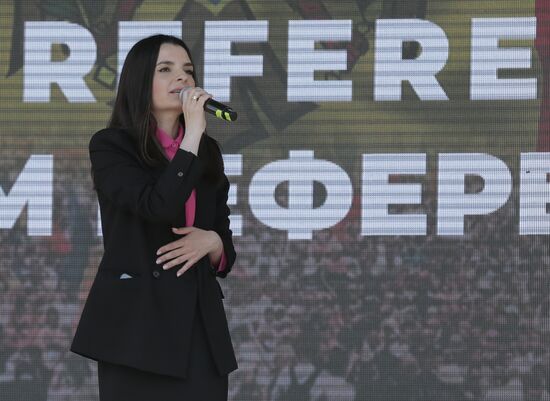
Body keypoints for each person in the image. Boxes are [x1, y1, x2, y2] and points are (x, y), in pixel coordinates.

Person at [70, 34, 238, 401]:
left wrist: (214, 244)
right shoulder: (111, 145)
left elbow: (223, 238)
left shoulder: (207, 152)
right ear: (139, 80)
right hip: (135, 330)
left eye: (188, 71)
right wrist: (193, 135)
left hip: (197, 329)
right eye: (166, 69)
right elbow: (155, 206)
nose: (183, 79)